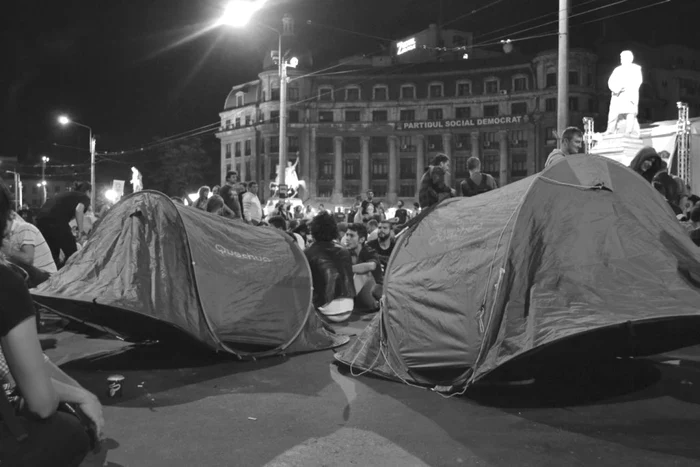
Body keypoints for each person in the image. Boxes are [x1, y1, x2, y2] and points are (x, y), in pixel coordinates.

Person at [0, 179, 104, 466]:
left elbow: (24, 366)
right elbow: (41, 402)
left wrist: (78, 393)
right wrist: (84, 397)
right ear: (6, 226)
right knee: (70, 432)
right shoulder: (6, 283)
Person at [304, 212, 355, 323]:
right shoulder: (344, 250)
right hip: (349, 308)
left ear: (314, 230)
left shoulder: (308, 252)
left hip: (326, 310)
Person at [35, 181, 91, 268]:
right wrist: (81, 231)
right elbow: (79, 210)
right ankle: (69, 274)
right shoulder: (84, 197)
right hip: (56, 221)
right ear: (88, 191)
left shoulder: (68, 195)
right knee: (72, 252)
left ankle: (54, 272)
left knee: (52, 252)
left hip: (40, 220)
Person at [343, 223, 382, 312]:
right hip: (360, 298)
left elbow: (371, 266)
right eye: (347, 235)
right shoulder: (347, 253)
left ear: (362, 239)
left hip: (375, 293)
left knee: (363, 273)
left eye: (352, 236)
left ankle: (345, 303)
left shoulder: (368, 251)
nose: (347, 238)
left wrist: (348, 269)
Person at [605, 50, 643, 137]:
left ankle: (629, 131)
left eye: (623, 58)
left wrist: (626, 87)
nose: (621, 59)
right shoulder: (617, 69)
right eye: (621, 58)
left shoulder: (636, 68)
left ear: (629, 58)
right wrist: (617, 88)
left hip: (629, 94)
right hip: (618, 95)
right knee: (613, 113)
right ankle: (610, 130)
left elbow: (638, 81)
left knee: (630, 113)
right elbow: (611, 81)